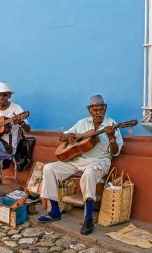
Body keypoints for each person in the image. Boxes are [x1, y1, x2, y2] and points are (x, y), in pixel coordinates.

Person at [38, 94, 123, 236]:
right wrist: (69, 137)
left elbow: (115, 152)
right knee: (49, 168)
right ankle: (54, 211)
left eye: (101, 109)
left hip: (99, 161)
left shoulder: (112, 125)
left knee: (89, 173)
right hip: (78, 159)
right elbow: (62, 136)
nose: (99, 113)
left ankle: (88, 218)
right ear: (90, 110)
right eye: (95, 110)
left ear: (105, 109)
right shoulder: (82, 123)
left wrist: (112, 138)